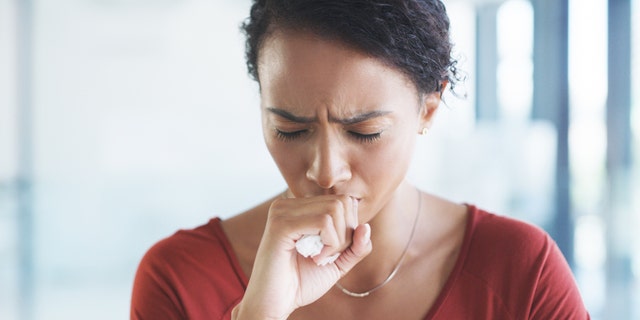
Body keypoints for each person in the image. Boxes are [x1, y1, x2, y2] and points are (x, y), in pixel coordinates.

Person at [130, 0, 590, 319]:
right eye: (290, 129)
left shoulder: (520, 274)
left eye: (364, 132)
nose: (325, 171)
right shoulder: (179, 279)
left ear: (428, 110)